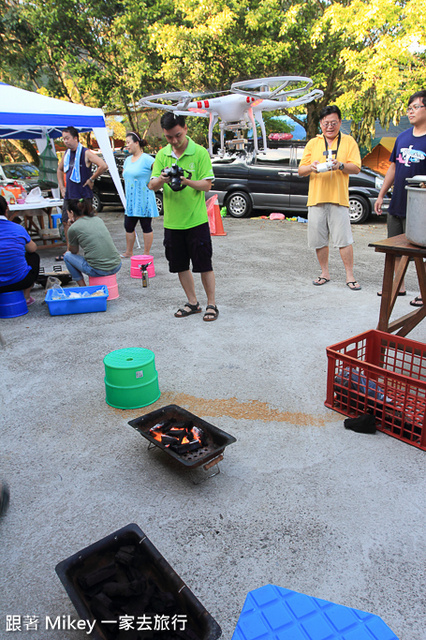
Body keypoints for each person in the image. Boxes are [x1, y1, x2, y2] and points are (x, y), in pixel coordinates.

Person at [148, 112, 219, 321]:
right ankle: (193, 303)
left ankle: (212, 304)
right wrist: (162, 179)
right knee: (180, 265)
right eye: (169, 137)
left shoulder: (199, 153)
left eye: (178, 135)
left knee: (204, 264)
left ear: (185, 129)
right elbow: (151, 185)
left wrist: (185, 180)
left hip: (196, 221)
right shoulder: (162, 155)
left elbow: (207, 185)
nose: (174, 141)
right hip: (172, 223)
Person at [298, 105, 362, 290]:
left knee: (344, 240)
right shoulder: (313, 143)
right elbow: (301, 170)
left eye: (333, 123)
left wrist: (340, 165)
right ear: (320, 124)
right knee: (319, 240)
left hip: (339, 198)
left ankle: (350, 275)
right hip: (316, 199)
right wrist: (312, 167)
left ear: (340, 122)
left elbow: (356, 167)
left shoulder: (349, 141)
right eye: (326, 123)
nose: (330, 127)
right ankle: (324, 272)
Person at [375, 90, 426, 306]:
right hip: (398, 202)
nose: (411, 111)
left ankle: (424, 293)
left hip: (420, 207)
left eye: (415, 107)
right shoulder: (402, 137)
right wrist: (381, 194)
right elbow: (393, 167)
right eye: (409, 108)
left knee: (421, 252)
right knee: (395, 248)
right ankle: (399, 286)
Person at [56, 126, 107, 259]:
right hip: (69, 195)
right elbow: (59, 170)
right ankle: (70, 250)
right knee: (67, 222)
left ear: (75, 138)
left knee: (87, 223)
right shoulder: (66, 154)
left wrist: (91, 179)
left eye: (67, 138)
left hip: (83, 195)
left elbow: (103, 165)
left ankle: (92, 249)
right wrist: (61, 186)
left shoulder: (85, 152)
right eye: (63, 139)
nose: (65, 141)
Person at [63, 200, 121, 286]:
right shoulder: (98, 220)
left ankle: (83, 287)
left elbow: (73, 251)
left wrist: (69, 228)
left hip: (98, 270)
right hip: (116, 265)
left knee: (67, 256)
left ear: (71, 212)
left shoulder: (73, 228)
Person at [121, 132, 159, 258]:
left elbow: (158, 170)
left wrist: (154, 181)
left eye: (128, 142)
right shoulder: (127, 160)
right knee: (128, 225)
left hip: (144, 198)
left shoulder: (147, 159)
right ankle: (129, 251)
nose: (127, 146)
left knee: (146, 226)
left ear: (136, 143)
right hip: (131, 200)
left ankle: (146, 253)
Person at [0, 195, 40, 305]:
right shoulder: (18, 228)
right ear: (7, 210)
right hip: (19, 282)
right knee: (33, 256)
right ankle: (26, 296)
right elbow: (33, 248)